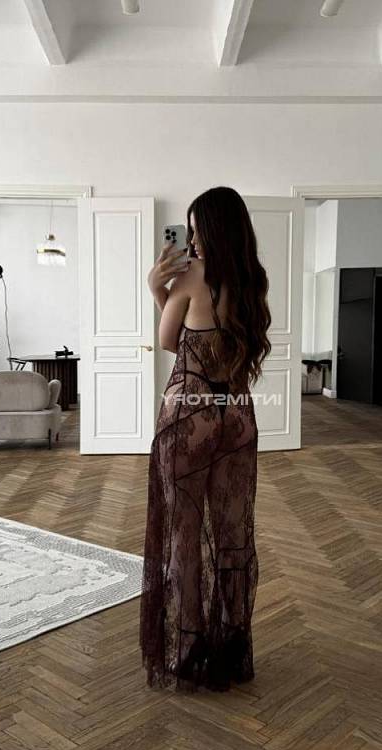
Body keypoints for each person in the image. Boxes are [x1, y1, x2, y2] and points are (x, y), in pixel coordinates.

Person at [139, 186, 272, 691]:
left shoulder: (191, 275)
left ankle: (190, 646)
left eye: (196, 230)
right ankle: (231, 646)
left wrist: (157, 288)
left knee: (184, 533)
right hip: (236, 416)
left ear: (213, 230)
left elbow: (169, 339)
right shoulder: (252, 280)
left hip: (188, 417)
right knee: (234, 535)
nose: (191, 240)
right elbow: (223, 349)